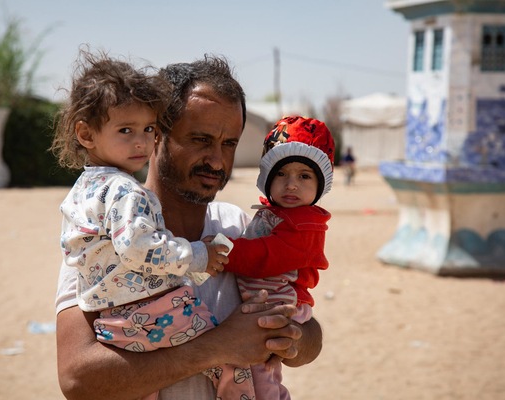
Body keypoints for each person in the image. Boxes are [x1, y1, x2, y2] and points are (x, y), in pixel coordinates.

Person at [55, 54, 324, 400]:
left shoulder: (245, 230)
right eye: (201, 139)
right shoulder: (103, 235)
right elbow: (78, 380)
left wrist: (291, 337)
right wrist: (218, 346)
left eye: (229, 144)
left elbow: (310, 336)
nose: (216, 160)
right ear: (156, 135)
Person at [222, 116, 334, 400]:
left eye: (304, 176)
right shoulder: (277, 215)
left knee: (262, 375)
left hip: (280, 303)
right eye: (281, 174)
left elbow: (266, 257)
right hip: (266, 300)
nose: (291, 185)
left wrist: (222, 252)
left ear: (320, 186)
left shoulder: (306, 225)